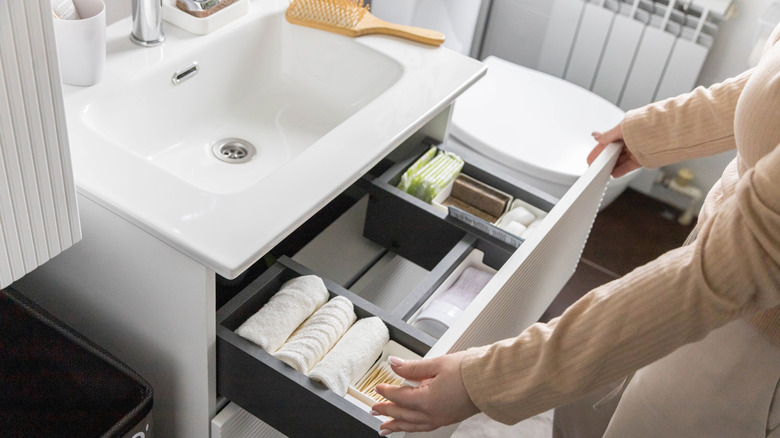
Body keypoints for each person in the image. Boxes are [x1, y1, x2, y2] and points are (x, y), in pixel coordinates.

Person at [369, 23, 780, 438]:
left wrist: (486, 382)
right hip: (729, 262)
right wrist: (656, 131)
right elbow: (768, 84)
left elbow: (706, 280)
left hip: (754, 340)